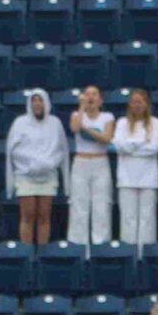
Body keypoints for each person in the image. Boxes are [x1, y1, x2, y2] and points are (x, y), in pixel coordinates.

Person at [5, 89, 68, 246]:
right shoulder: (19, 123)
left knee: (44, 217)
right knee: (28, 216)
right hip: (26, 175)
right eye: (34, 100)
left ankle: (42, 253)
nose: (37, 103)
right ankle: (27, 252)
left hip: (48, 175)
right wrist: (33, 163)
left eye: (40, 100)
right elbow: (14, 151)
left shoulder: (55, 123)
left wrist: (48, 163)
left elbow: (61, 149)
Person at [67, 86, 117, 246]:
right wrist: (82, 108)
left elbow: (106, 138)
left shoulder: (107, 117)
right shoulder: (76, 115)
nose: (91, 98)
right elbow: (75, 128)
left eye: (94, 95)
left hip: (100, 162)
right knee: (79, 203)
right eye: (87, 95)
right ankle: (78, 244)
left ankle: (100, 244)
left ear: (100, 100)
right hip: (81, 162)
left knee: (101, 204)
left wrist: (87, 129)